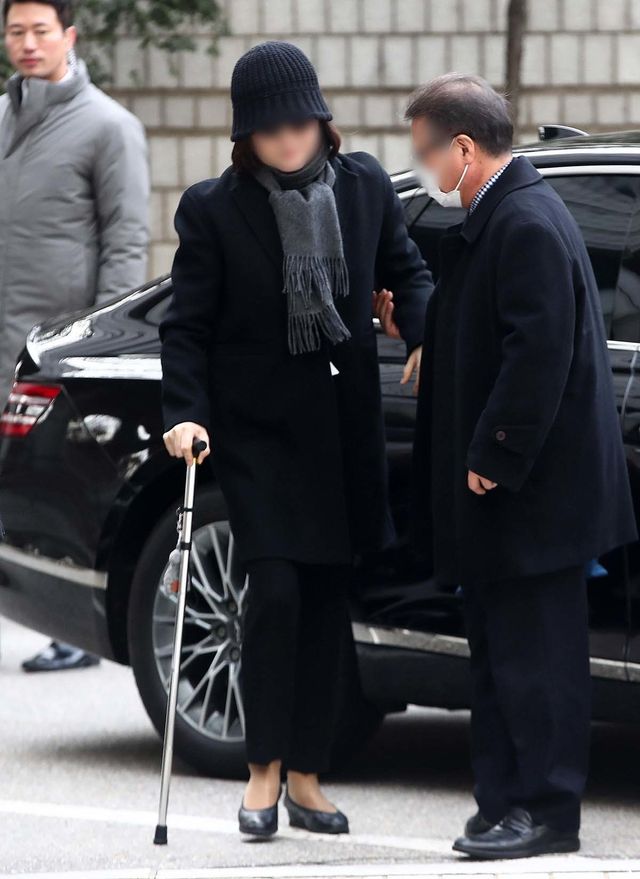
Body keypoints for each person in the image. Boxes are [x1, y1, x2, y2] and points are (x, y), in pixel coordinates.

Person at [159, 40, 433, 838]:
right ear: (246, 134)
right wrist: (185, 411)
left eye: (300, 124)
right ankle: (262, 770)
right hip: (259, 436)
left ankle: (308, 775)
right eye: (270, 129)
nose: (287, 140)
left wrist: (423, 330)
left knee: (324, 602)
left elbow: (408, 271)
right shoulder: (213, 209)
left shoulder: (364, 186)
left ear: (321, 120)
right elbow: (187, 326)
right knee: (276, 594)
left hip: (341, 433)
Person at [395, 73, 638, 859]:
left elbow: (539, 352)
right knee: (501, 655)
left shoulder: (524, 221)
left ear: (464, 149)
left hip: (534, 492)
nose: (426, 172)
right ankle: (503, 801)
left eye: (427, 154)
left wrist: (494, 454)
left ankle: (546, 809)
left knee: (538, 661)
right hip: (514, 493)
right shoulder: (502, 214)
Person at [0, 0, 150, 671]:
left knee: (61, 489)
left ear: (69, 37)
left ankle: (74, 632)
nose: (28, 43)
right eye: (16, 31)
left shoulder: (109, 127)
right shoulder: (2, 118)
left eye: (41, 31)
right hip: (3, 333)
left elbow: (126, 242)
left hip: (57, 347)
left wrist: (99, 344)